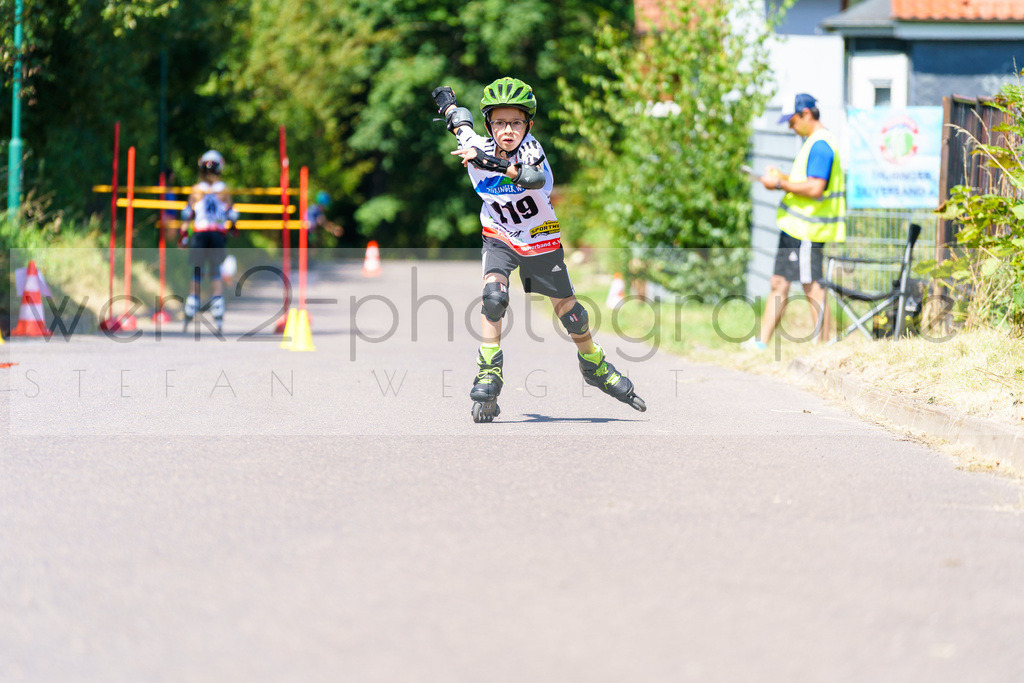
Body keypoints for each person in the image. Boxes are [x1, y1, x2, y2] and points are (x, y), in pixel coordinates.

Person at [431, 77, 646, 422]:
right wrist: (447, 105)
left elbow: (529, 178)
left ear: (528, 125)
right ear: (489, 125)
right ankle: (489, 370)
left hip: (540, 239)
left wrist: (485, 160)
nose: (507, 130)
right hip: (499, 234)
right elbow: (460, 124)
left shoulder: (532, 150)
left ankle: (594, 365)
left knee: (573, 316)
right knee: (493, 298)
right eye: (499, 122)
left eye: (516, 122)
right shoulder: (476, 143)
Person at [748, 93, 845, 350]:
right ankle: (761, 343)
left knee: (812, 286)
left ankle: (827, 346)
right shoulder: (813, 142)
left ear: (806, 114)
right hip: (795, 229)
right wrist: (783, 178)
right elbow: (807, 181)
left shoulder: (820, 145)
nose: (791, 127)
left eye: (791, 121)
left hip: (807, 230)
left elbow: (815, 187)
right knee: (779, 283)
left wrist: (779, 183)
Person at [179, 150, 238, 333]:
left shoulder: (197, 189)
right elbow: (232, 214)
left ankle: (192, 303)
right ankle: (217, 307)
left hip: (200, 233)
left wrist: (184, 236)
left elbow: (187, 214)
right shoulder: (224, 190)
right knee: (215, 272)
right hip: (217, 234)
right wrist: (234, 227)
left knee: (197, 271)